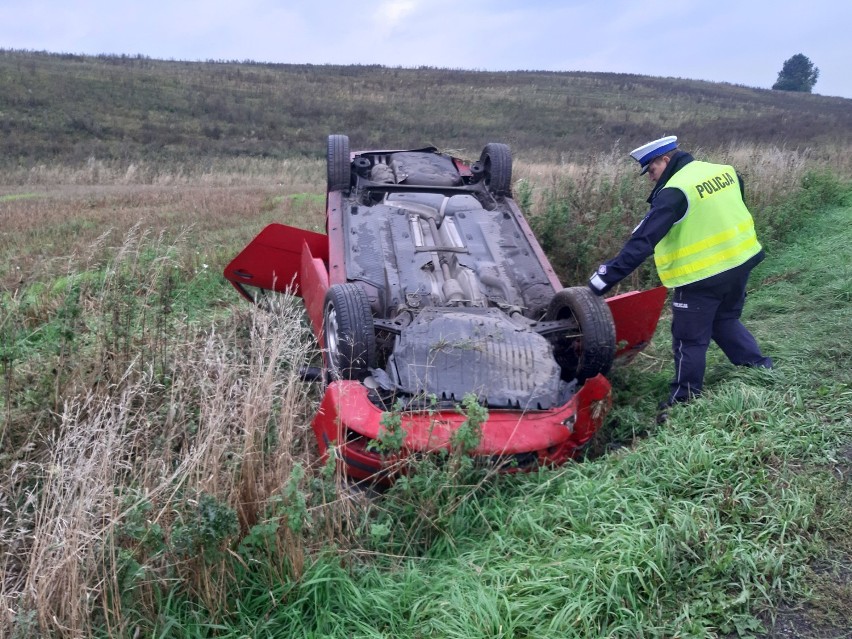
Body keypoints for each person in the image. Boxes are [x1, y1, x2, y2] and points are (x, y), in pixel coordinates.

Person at [587, 135, 772, 421]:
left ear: (666, 159)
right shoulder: (722, 171)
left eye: (652, 170)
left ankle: (683, 402)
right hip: (741, 261)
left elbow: (642, 242)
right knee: (725, 320)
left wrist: (603, 279)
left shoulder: (675, 191)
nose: (651, 178)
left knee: (689, 340)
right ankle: (759, 368)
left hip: (702, 276)